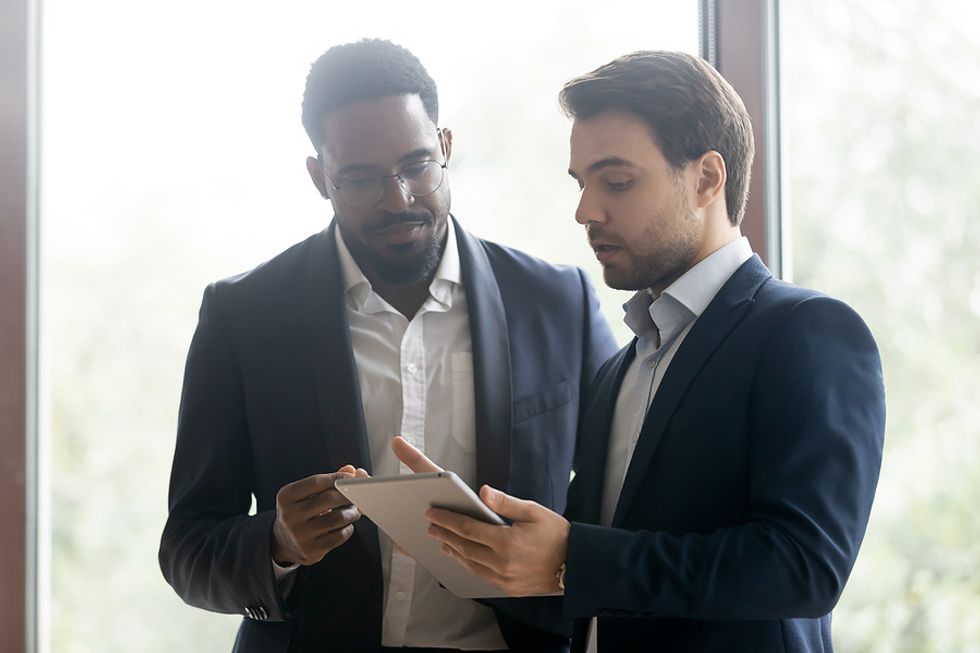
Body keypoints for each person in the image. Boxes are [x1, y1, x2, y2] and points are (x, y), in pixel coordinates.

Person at [404, 50, 886, 652]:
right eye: (582, 185)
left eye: (618, 182)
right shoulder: (619, 368)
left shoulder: (808, 332)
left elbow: (804, 568)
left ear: (708, 178)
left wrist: (572, 556)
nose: (586, 212)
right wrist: (479, 542)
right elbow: (592, 581)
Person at [158, 39, 618, 653]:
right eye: (362, 178)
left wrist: (562, 560)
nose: (398, 198)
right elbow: (188, 547)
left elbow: (620, 510)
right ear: (320, 177)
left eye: (416, 165)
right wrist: (278, 544)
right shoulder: (243, 316)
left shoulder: (558, 302)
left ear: (446, 147)